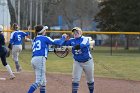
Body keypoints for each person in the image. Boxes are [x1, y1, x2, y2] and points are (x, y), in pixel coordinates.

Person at [27, 25, 67, 93]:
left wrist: (51, 49)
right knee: (39, 81)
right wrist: (63, 38)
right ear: (42, 31)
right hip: (40, 59)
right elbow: (58, 42)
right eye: (45, 30)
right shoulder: (44, 38)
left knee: (43, 82)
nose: (46, 31)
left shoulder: (35, 39)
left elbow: (42, 48)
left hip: (34, 59)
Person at [62, 27, 94, 93]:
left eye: (77, 32)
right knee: (75, 80)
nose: (75, 33)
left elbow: (82, 45)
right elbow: (63, 44)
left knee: (90, 80)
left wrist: (71, 47)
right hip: (77, 62)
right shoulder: (72, 40)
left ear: (80, 33)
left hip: (88, 62)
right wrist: (64, 38)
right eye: (74, 32)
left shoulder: (85, 39)